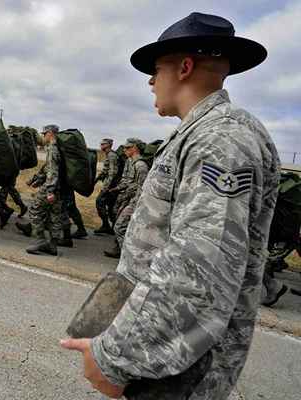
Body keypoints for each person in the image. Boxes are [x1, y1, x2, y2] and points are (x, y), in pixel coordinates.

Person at [61, 12, 279, 399]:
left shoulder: (221, 139)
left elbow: (197, 271)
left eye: (155, 69)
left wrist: (115, 357)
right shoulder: (197, 134)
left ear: (184, 67)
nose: (149, 80)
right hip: (162, 356)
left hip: (177, 367)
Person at [15, 125, 62, 255]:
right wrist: (38, 179)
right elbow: (48, 168)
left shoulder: (53, 148)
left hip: (51, 187)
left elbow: (52, 170)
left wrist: (50, 190)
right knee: (54, 216)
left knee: (35, 209)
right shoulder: (60, 147)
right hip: (60, 188)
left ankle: (40, 240)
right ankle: (53, 245)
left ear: (50, 133)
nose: (43, 136)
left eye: (44, 133)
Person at [103, 138, 148, 259]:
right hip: (126, 197)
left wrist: (134, 206)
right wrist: (117, 189)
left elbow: (142, 189)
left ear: (135, 149)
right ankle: (118, 249)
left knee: (120, 226)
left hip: (134, 201)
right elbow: (128, 181)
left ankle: (127, 257)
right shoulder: (131, 162)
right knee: (119, 223)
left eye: (128, 148)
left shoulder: (141, 166)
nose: (124, 150)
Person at [94, 138, 119, 235]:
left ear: (108, 145)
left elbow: (112, 173)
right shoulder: (108, 155)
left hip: (111, 186)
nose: (101, 146)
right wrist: (96, 179)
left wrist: (106, 188)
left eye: (103, 144)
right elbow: (105, 171)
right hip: (111, 186)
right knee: (111, 206)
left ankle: (106, 226)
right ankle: (113, 227)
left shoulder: (112, 156)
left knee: (99, 202)